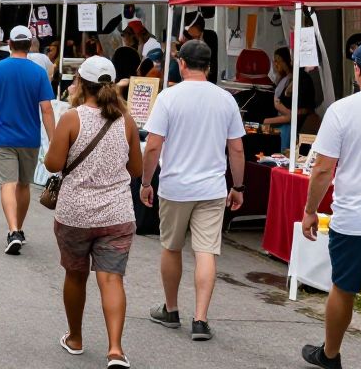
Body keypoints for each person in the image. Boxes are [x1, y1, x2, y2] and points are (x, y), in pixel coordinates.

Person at [140, 39, 245, 341]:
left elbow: (154, 146)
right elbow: (236, 149)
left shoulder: (168, 97)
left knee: (171, 247)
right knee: (206, 251)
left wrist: (146, 182)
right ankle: (200, 319)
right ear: (209, 66)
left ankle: (171, 310)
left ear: (182, 64)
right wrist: (237, 186)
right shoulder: (225, 99)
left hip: (175, 187)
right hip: (212, 188)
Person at [44, 56, 143, 368]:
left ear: (80, 84)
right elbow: (137, 168)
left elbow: (53, 164)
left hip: (75, 213)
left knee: (75, 276)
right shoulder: (125, 119)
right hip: (117, 214)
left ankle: (75, 338)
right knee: (112, 280)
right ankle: (116, 350)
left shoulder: (72, 118)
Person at [298, 41, 361, 369]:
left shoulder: (342, 110)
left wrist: (311, 210)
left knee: (343, 288)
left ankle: (330, 354)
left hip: (354, 218)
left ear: (357, 70)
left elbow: (323, 169)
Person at [0, 25, 56, 255]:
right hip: (30, 138)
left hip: (3, 137)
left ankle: (13, 230)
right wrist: (53, 140)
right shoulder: (38, 72)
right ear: (30, 45)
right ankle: (18, 228)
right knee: (23, 185)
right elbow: (47, 109)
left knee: (7, 184)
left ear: (9, 44)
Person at [262, 47, 319, 151]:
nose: (276, 64)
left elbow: (296, 111)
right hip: (284, 123)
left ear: (287, 61)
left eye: (278, 61)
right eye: (274, 61)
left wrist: (277, 109)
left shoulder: (298, 79)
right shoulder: (281, 79)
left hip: (291, 125)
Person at [182, 11, 219, 82]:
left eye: (197, 37)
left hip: (206, 76)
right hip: (189, 77)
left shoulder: (211, 36)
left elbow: (213, 60)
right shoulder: (185, 36)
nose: (195, 39)